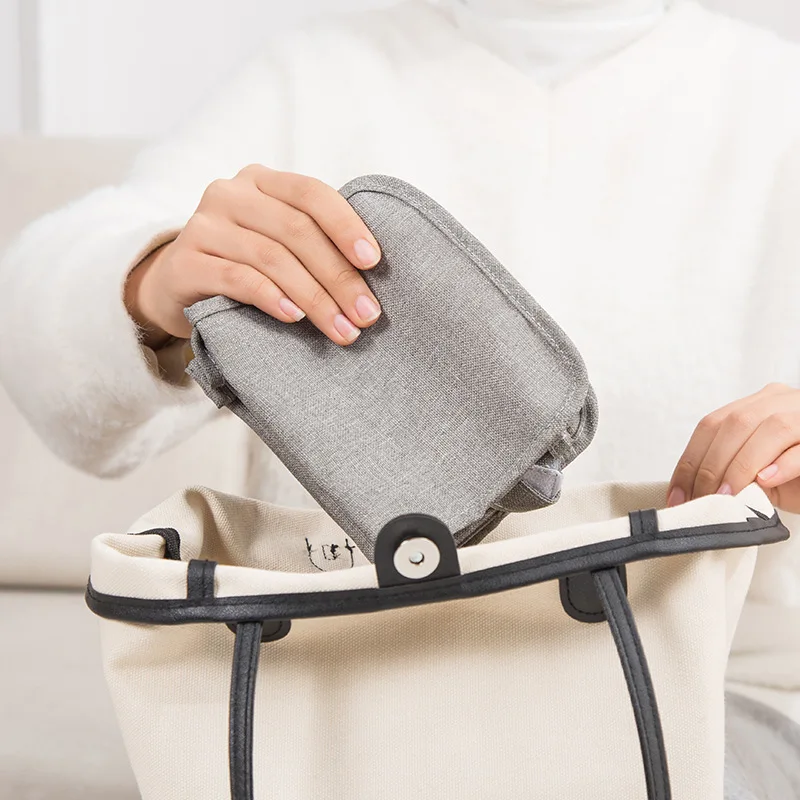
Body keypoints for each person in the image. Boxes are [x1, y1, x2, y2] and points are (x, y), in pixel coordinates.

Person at [0, 0, 799, 795]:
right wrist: (151, 282)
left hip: (701, 696)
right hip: (337, 681)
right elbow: (48, 330)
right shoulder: (310, 76)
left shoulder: (772, 96)